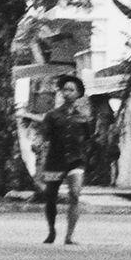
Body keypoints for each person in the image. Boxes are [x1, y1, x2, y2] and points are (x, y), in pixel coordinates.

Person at [37, 73, 92, 244]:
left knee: (75, 194)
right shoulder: (52, 116)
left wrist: (86, 156)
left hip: (76, 161)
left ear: (78, 94)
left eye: (71, 90)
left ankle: (69, 236)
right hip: (54, 162)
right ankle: (52, 230)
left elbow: (89, 140)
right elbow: (43, 136)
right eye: (65, 89)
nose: (67, 92)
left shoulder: (84, 118)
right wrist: (38, 144)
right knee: (50, 196)